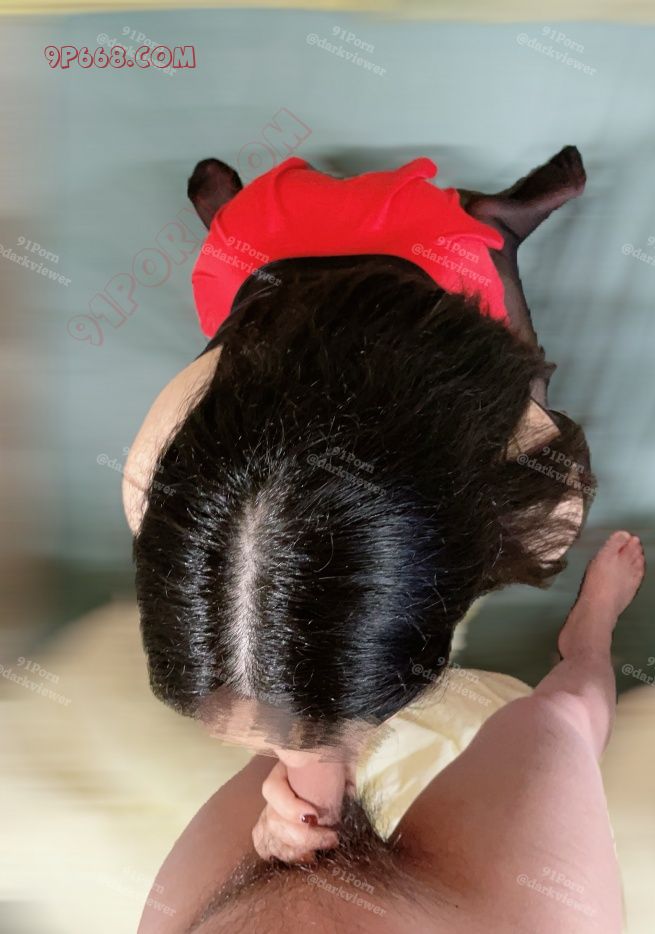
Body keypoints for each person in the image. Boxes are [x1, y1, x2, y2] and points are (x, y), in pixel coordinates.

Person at [124, 146, 594, 751]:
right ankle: (232, 220)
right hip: (266, 243)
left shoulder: (544, 510)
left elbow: (521, 405)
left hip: (418, 249)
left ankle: (495, 229)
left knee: (514, 379)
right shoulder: (149, 481)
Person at [138, 531, 645, 934]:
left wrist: (288, 805)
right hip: (478, 915)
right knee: (564, 717)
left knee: (296, 743)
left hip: (235, 906)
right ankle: (587, 641)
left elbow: (288, 725)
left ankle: (361, 684)